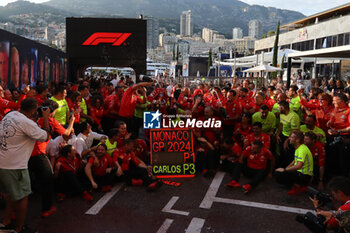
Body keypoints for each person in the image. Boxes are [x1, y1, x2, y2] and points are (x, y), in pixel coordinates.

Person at [0, 98, 49, 233]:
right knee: (22, 196)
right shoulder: (26, 122)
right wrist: (46, 118)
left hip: (3, 163)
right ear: (33, 111)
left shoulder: (9, 115)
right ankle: (19, 228)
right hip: (15, 165)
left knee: (11, 194)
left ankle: (6, 222)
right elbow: (45, 136)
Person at [275, 130, 313, 196]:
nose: (289, 138)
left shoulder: (302, 149)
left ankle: (300, 187)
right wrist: (286, 168)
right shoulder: (299, 148)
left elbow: (298, 166)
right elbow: (295, 161)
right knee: (280, 172)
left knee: (279, 174)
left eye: (292, 137)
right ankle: (297, 185)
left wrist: (284, 170)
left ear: (297, 140)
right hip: (300, 173)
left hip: (304, 175)